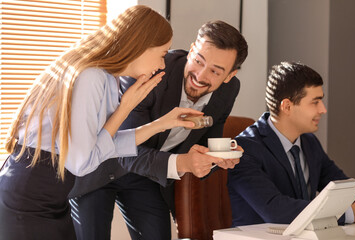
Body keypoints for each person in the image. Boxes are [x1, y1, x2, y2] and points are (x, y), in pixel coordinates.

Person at [0, 5, 209, 240]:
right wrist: (125, 108)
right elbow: (83, 162)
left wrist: (163, 123)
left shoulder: (107, 79)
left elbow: (103, 145)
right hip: (31, 196)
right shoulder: (92, 77)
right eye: (162, 53)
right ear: (140, 45)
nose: (162, 65)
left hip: (50, 193)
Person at [71, 20, 248, 240]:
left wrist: (217, 159)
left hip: (148, 174)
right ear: (192, 49)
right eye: (198, 61)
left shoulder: (229, 91)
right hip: (99, 166)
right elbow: (123, 150)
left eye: (215, 71)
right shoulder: (152, 70)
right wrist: (182, 163)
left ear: (230, 75)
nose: (201, 75)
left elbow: (207, 144)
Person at [228, 61, 355, 226]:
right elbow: (276, 210)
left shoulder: (309, 142)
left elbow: (343, 187)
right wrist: (349, 214)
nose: (323, 109)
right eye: (315, 102)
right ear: (287, 106)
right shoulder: (244, 149)